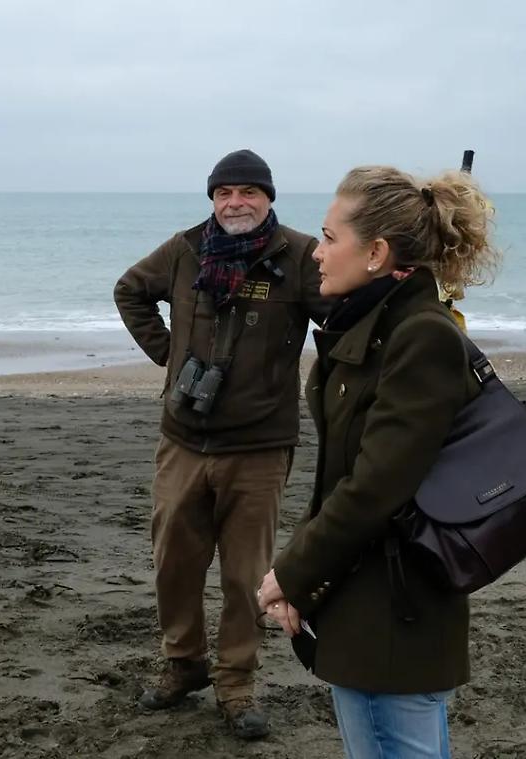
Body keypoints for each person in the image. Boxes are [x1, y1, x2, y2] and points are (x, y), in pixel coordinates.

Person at [258, 165, 499, 758]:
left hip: (395, 610)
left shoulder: (419, 336)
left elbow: (374, 489)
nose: (316, 252)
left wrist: (291, 573)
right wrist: (305, 584)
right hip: (360, 596)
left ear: (378, 253)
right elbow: (344, 481)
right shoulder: (378, 325)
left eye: (331, 237)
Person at [114, 149, 328, 739]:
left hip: (260, 447)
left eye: (248, 192)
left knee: (246, 577)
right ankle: (183, 664)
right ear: (212, 200)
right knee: (174, 565)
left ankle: (236, 684)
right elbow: (130, 289)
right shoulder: (185, 250)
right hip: (183, 439)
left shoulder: (303, 254)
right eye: (223, 193)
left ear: (268, 198)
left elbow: (343, 316)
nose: (235, 203)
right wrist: (170, 358)